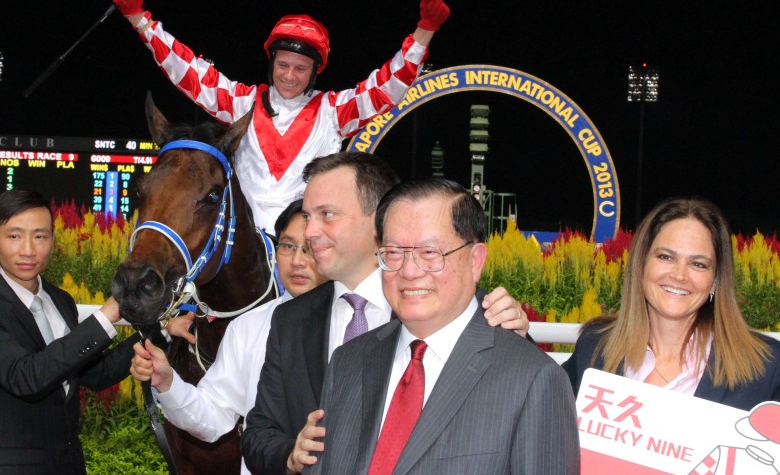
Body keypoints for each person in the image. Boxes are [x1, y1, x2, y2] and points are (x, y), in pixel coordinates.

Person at [241, 152, 532, 475]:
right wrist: (291, 455)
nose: (309, 231)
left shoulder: (466, 311)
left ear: (378, 218)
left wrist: (516, 333)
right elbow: (258, 433)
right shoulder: (291, 320)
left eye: (327, 214)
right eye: (308, 216)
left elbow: (521, 400)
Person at [112, 0, 450, 236]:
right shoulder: (243, 102)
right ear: (272, 63)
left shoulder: (334, 111)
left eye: (301, 68)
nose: (289, 76)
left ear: (314, 72)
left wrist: (424, 32)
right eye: (283, 65)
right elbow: (190, 73)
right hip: (241, 247)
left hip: (306, 246)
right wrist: (140, 20)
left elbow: (386, 87)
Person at [306, 178, 579, 474]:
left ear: (475, 261)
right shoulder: (348, 361)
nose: (409, 271)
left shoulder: (532, 379)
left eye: (429, 253)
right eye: (394, 253)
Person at [129, 199, 328, 475]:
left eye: (308, 248)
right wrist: (167, 382)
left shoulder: (360, 320)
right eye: (287, 246)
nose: (297, 261)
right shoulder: (247, 327)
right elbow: (213, 416)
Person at [562, 197, 780, 411]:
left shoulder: (767, 368)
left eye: (698, 264)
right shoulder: (595, 346)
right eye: (666, 257)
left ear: (715, 281)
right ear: (641, 265)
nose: (679, 275)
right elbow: (550, 412)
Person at [0, 189, 139, 475]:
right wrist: (107, 315)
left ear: (53, 239)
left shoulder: (60, 301)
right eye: (14, 236)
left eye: (40, 236)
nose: (28, 250)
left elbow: (95, 373)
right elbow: (26, 377)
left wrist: (158, 331)